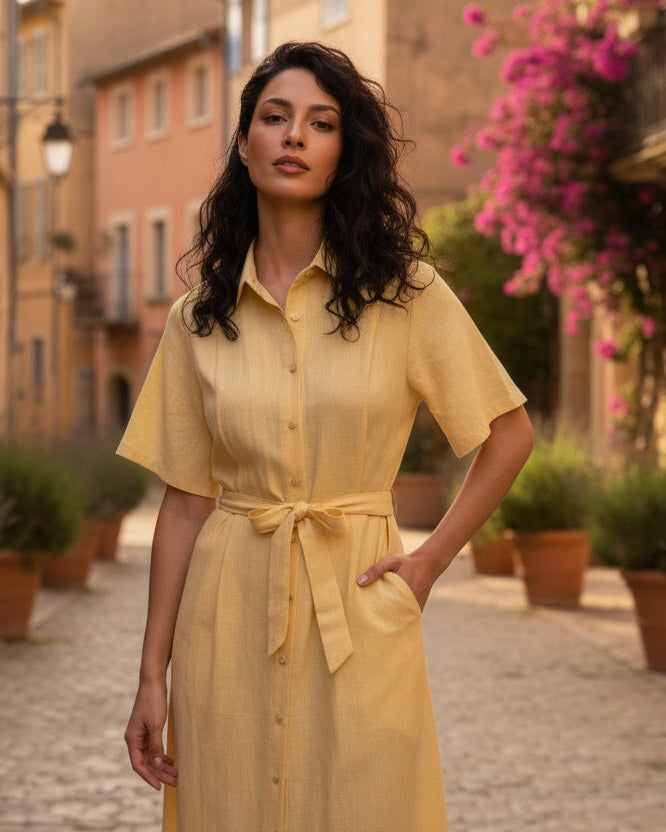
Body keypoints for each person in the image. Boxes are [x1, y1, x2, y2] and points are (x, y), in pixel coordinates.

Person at [118, 41, 534, 832]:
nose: (295, 136)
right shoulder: (196, 320)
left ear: (345, 152)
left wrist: (428, 565)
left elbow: (509, 434)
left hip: (359, 609)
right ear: (245, 145)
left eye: (322, 122)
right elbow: (184, 503)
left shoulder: (405, 294)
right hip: (226, 622)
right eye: (275, 118)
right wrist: (150, 677)